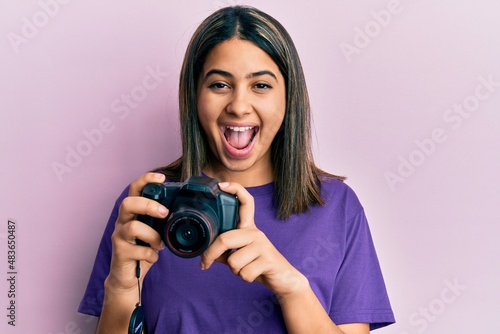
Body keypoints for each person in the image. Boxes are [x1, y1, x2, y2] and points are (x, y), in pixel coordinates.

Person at [78, 5, 395, 333]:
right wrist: (121, 288)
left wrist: (292, 288)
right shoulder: (149, 206)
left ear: (289, 98)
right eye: (219, 85)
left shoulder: (336, 208)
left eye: (261, 86)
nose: (239, 106)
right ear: (195, 95)